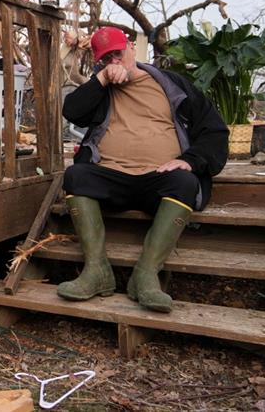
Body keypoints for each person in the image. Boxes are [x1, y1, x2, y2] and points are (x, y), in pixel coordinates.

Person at [58, 26, 229, 313]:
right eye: (106, 59)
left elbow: (215, 131)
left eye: (118, 54)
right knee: (75, 176)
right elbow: (72, 111)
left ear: (131, 49)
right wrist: (100, 79)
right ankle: (97, 270)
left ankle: (146, 274)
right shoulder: (101, 89)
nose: (114, 62)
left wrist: (190, 160)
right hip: (112, 177)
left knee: (185, 183)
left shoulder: (173, 86)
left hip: (158, 179)